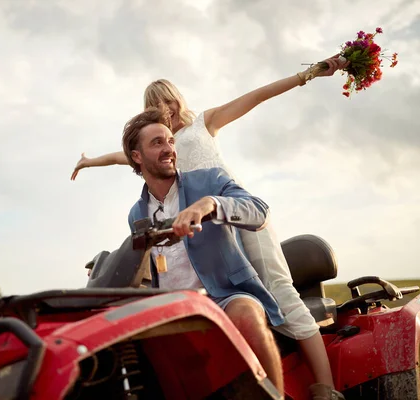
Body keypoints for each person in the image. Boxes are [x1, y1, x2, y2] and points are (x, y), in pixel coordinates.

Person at [73, 57, 347, 400]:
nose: (165, 111)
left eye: (168, 101)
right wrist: (88, 161)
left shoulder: (205, 123)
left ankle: (326, 388)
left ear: (178, 100)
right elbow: (121, 155)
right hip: (200, 235)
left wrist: (308, 74)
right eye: (155, 106)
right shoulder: (156, 149)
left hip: (235, 212)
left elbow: (258, 96)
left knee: (278, 288)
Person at [123, 106, 286, 394]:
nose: (169, 149)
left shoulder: (209, 180)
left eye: (170, 141)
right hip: (173, 310)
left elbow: (259, 211)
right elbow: (148, 270)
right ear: (137, 157)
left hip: (224, 296)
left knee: (246, 314)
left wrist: (211, 204)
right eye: (157, 143)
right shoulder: (136, 214)